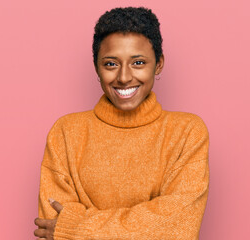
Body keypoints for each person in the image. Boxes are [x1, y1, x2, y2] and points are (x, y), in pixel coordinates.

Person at [34, 7, 210, 240]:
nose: (124, 77)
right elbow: (52, 224)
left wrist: (77, 229)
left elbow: (179, 228)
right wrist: (149, 226)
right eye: (110, 64)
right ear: (96, 66)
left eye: (138, 63)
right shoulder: (65, 133)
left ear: (158, 64)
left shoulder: (187, 132)